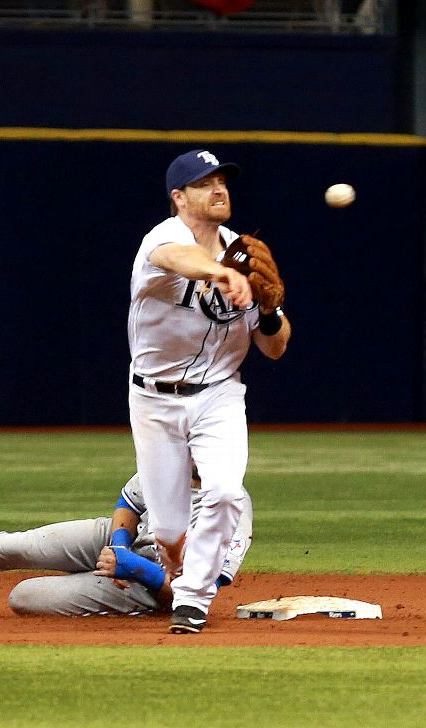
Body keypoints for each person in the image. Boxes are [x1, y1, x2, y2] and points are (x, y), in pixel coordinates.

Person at [127, 148, 290, 634]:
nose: (218, 189)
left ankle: (192, 601)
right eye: (204, 184)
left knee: (222, 490)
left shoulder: (245, 252)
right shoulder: (165, 237)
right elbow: (180, 259)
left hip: (218, 393)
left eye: (222, 181)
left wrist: (267, 311)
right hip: (153, 399)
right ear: (179, 197)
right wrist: (220, 272)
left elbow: (276, 348)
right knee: (168, 533)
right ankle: (175, 563)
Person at [0, 472, 253, 618]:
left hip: (150, 588)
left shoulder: (232, 509)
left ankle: (118, 605)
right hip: (122, 546)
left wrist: (130, 567)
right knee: (12, 546)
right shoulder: (167, 462)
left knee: (23, 597)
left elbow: (188, 595)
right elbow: (128, 504)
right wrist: (119, 543)